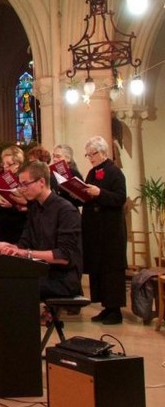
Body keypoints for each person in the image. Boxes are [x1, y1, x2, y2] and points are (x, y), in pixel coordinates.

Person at [0, 161, 82, 370]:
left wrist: (25, 253)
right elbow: (25, 244)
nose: (21, 189)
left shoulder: (66, 211)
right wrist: (5, 245)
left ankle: (12, 356)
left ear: (41, 182)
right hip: (38, 272)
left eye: (24, 184)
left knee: (11, 289)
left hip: (62, 279)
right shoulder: (35, 209)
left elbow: (64, 256)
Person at [81, 136, 127, 325]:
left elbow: (120, 198)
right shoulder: (92, 173)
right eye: (88, 154)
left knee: (111, 271)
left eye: (94, 154)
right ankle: (105, 308)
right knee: (98, 269)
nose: (91, 158)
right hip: (95, 230)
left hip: (111, 231)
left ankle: (115, 310)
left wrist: (99, 193)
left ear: (104, 152)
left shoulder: (115, 172)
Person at [0, 146, 27, 243]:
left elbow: (29, 205)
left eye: (8, 164)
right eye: (4, 164)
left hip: (18, 225)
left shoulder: (24, 179)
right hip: (2, 223)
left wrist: (11, 206)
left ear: (17, 164)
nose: (5, 167)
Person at [51, 144, 84, 208]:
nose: (54, 159)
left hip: (70, 211)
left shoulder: (75, 174)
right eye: (54, 156)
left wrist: (76, 196)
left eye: (58, 157)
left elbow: (83, 199)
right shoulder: (51, 174)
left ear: (68, 158)